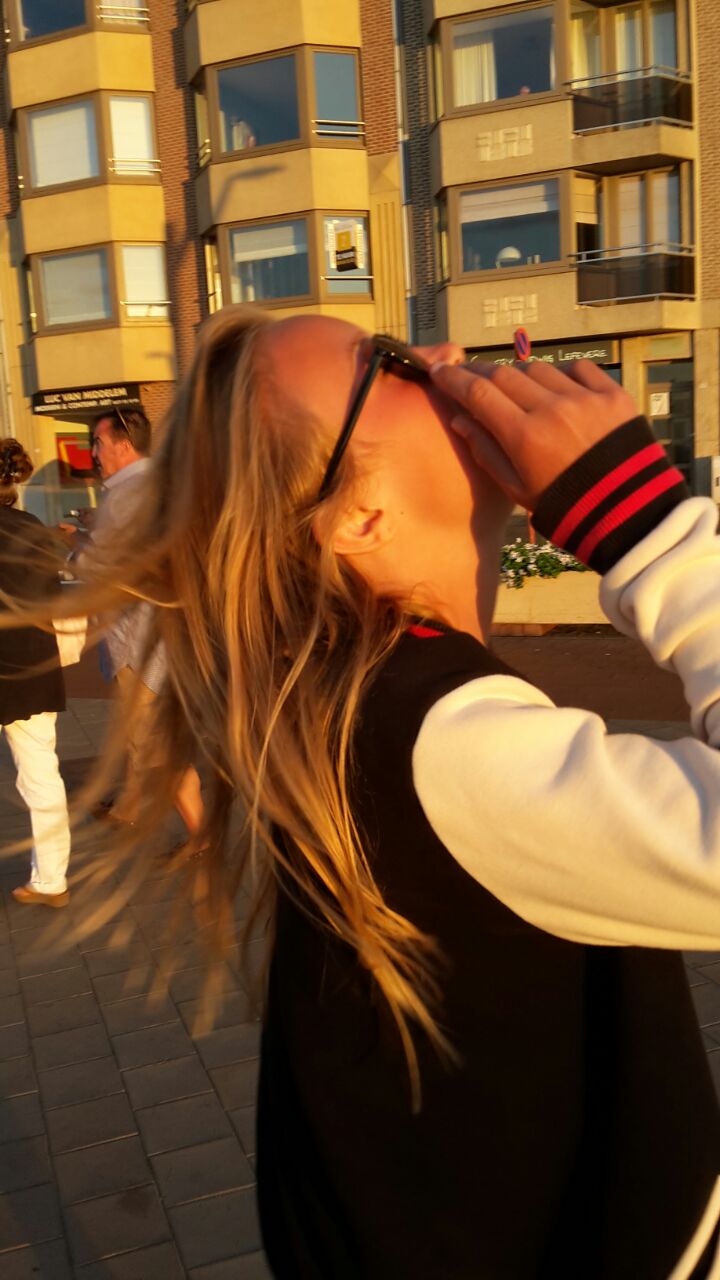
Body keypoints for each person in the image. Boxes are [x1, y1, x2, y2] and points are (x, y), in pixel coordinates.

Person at [5, 308, 720, 1276]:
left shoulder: (353, 693)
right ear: (356, 515)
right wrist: (646, 524)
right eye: (391, 362)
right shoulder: (435, 738)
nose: (443, 355)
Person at [63, 408, 203, 839]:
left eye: (99, 443)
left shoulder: (125, 496)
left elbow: (99, 568)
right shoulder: (158, 486)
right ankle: (127, 806)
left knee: (154, 742)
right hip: (162, 633)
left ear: (123, 445)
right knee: (140, 731)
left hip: (137, 640)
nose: (93, 452)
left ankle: (202, 835)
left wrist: (71, 544)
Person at [0, 438, 71, 908]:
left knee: (39, 778)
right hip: (34, 667)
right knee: (42, 776)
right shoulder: (34, 529)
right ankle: (50, 879)